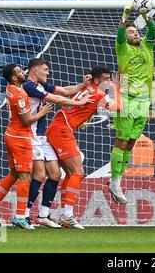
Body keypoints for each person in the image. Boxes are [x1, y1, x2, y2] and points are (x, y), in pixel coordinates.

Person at [46, 66, 122, 229]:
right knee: (78, 172)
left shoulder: (87, 86)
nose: (108, 81)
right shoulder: (99, 95)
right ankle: (67, 214)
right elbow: (120, 107)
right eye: (105, 78)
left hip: (58, 126)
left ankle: (63, 214)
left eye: (109, 78)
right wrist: (118, 86)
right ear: (96, 80)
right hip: (62, 130)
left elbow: (73, 92)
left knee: (71, 173)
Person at [22, 56, 93, 228]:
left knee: (55, 174)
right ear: (36, 70)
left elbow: (65, 91)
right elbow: (57, 100)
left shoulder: (40, 85)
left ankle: (43, 215)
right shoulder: (29, 86)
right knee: (38, 175)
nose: (48, 72)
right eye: (45, 69)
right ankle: (24, 214)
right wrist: (80, 102)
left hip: (41, 136)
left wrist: (82, 86)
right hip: (30, 136)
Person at [108, 0, 155, 204]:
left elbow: (152, 31)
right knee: (121, 141)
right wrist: (125, 16)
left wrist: (147, 15)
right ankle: (115, 181)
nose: (135, 34)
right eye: (131, 32)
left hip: (144, 101)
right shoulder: (123, 49)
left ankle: (117, 180)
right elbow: (119, 36)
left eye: (136, 32)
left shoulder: (147, 46)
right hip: (127, 100)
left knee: (131, 144)